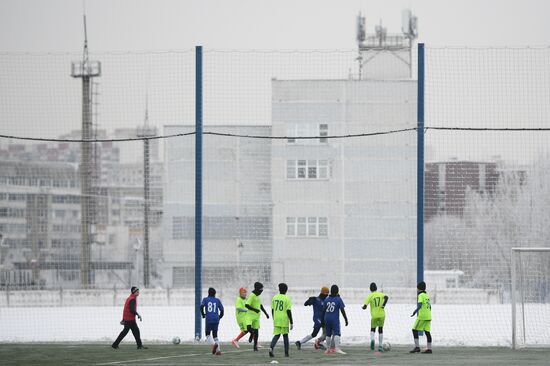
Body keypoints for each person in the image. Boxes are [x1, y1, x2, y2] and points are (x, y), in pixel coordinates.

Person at [295, 286, 329, 351]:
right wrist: (309, 300)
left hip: (324, 319)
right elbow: (305, 304)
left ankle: (319, 343)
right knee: (316, 332)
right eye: (326, 294)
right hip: (317, 318)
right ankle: (300, 342)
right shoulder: (315, 299)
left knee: (324, 333)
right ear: (323, 293)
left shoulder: (326, 300)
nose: (327, 295)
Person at [321, 284, 348, 355]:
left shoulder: (326, 299)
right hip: (334, 319)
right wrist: (346, 319)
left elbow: (323, 310)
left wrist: (322, 320)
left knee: (328, 334)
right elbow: (342, 310)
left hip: (326, 318)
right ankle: (337, 348)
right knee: (337, 333)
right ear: (337, 291)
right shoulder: (338, 299)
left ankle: (328, 349)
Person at [362, 282, 389, 352]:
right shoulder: (380, 294)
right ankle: (380, 346)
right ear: (376, 288)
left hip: (374, 315)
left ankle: (372, 339)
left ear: (370, 289)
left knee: (373, 329)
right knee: (380, 329)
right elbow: (386, 297)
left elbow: (365, 305)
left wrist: (364, 307)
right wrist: (383, 305)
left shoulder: (370, 296)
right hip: (382, 315)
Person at [269, 283, 293, 358]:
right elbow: (288, 311)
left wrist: (274, 318)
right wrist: (291, 322)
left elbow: (272, 310)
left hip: (276, 318)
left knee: (276, 335)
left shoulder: (274, 297)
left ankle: (271, 347)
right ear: (286, 290)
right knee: (285, 335)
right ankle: (286, 353)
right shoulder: (287, 298)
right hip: (284, 319)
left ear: (279, 289)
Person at [245, 281, 270, 351]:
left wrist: (266, 313)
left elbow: (260, 305)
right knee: (248, 328)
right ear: (257, 289)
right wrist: (254, 310)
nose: (261, 292)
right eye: (260, 290)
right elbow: (246, 305)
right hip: (250, 315)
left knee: (256, 332)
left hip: (257, 317)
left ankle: (255, 346)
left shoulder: (258, 296)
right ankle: (251, 334)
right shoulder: (252, 295)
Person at [410, 281, 432, 354]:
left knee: (414, 329)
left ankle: (417, 347)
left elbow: (419, 305)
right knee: (427, 332)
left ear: (418, 289)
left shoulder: (420, 295)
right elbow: (430, 307)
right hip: (429, 316)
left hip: (422, 316)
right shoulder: (427, 295)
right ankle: (429, 349)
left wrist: (415, 311)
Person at [200, 287, 224, 355]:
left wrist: (203, 314)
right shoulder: (217, 300)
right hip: (216, 318)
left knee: (207, 334)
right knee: (215, 335)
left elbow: (201, 306)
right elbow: (222, 310)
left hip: (209, 318)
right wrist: (219, 317)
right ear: (215, 293)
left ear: (208, 293)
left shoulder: (205, 299)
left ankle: (214, 345)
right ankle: (218, 351)